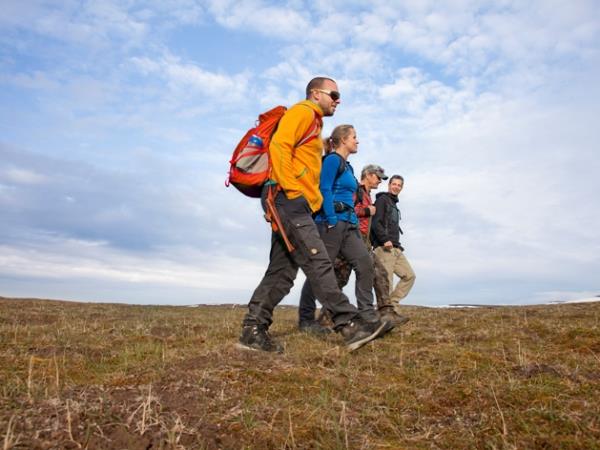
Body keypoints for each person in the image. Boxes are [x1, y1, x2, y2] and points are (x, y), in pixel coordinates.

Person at [238, 77, 393, 353]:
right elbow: (279, 147)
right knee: (319, 261)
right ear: (315, 94)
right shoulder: (303, 112)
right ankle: (350, 325)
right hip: (288, 199)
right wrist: (292, 191)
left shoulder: (314, 124)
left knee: (282, 273)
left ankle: (253, 329)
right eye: (333, 94)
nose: (337, 100)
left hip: (290, 201)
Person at [300, 164, 409, 330]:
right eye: (378, 177)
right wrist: (367, 211)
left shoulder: (367, 194)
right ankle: (331, 317)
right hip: (350, 238)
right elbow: (347, 210)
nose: (380, 181)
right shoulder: (355, 190)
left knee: (374, 273)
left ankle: (384, 312)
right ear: (368, 175)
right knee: (346, 278)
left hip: (359, 241)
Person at [297, 126, 380, 333]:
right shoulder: (333, 160)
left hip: (349, 225)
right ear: (343, 140)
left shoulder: (349, 167)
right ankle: (306, 319)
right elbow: (324, 188)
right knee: (322, 271)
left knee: (365, 263)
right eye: (354, 137)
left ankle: (368, 315)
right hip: (332, 223)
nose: (357, 141)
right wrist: (331, 218)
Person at [371, 175, 416, 310]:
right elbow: (375, 223)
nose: (396, 187)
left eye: (399, 185)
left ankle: (392, 304)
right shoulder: (382, 200)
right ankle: (387, 312)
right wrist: (384, 240)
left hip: (396, 248)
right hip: (384, 248)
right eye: (394, 184)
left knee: (409, 276)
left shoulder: (394, 204)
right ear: (389, 185)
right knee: (387, 282)